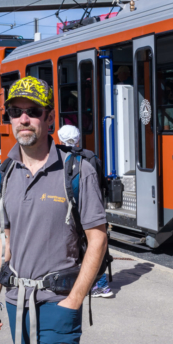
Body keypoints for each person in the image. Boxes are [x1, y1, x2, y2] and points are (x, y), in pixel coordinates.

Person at [0, 77, 108, 344]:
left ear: (49, 118)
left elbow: (98, 237)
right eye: (15, 112)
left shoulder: (77, 170)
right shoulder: (4, 173)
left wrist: (75, 300)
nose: (23, 119)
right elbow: (1, 237)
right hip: (16, 303)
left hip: (58, 306)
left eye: (33, 112)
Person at [58, 124, 114, 299]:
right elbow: (100, 183)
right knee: (94, 246)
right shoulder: (90, 157)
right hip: (91, 208)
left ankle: (76, 283)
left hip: (69, 209)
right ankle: (100, 284)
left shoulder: (58, 159)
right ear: (78, 139)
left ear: (59, 139)